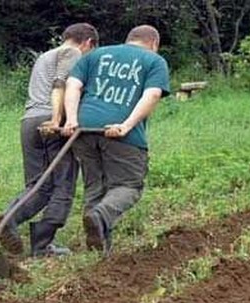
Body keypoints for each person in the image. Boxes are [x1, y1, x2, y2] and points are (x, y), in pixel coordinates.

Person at [63, 25, 170, 257]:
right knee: (129, 186)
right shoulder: (154, 60)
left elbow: (72, 85)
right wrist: (126, 125)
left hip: (83, 129)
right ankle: (100, 218)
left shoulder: (95, 55)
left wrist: (71, 120)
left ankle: (99, 248)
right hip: (120, 133)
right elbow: (152, 94)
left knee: (95, 185)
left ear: (128, 39)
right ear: (154, 44)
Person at [0, 23, 98, 257]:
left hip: (28, 120)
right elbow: (60, 85)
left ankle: (9, 218)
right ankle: (42, 244)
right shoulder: (72, 53)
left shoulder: (45, 56)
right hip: (50, 121)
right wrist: (57, 119)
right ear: (88, 43)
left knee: (39, 185)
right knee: (64, 184)